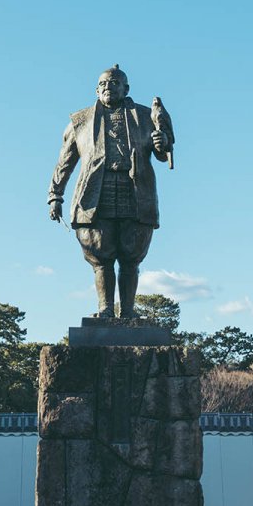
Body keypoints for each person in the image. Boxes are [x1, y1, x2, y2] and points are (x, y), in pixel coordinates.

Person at [48, 65, 171, 319]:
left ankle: (127, 312)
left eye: (114, 83)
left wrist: (162, 144)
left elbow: (161, 153)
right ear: (96, 89)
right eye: (103, 84)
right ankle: (105, 310)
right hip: (95, 192)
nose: (108, 87)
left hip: (135, 190)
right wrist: (55, 195)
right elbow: (65, 161)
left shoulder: (146, 117)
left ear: (126, 88)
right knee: (100, 254)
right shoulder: (80, 121)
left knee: (131, 254)